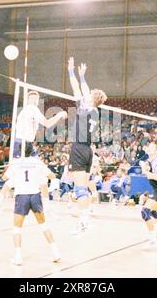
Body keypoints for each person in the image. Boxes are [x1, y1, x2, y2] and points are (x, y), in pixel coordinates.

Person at [0, 145, 61, 266]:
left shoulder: (16, 163)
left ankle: (18, 257)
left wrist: (10, 167)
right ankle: (55, 252)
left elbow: (4, 178)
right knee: (43, 225)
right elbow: (52, 176)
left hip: (22, 196)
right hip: (35, 196)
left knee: (17, 228)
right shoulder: (37, 162)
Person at [66, 57, 107, 235]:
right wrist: (81, 76)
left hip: (79, 148)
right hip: (88, 150)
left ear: (92, 99)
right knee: (84, 187)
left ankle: (84, 222)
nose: (87, 95)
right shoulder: (95, 111)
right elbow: (83, 90)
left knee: (80, 189)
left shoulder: (86, 107)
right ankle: (87, 214)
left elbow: (78, 89)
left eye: (90, 95)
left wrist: (71, 71)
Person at [14, 91, 67, 158]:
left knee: (35, 165)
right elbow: (48, 124)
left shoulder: (24, 110)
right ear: (28, 100)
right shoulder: (33, 108)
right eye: (33, 99)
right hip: (23, 143)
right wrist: (60, 114)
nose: (35, 101)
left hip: (23, 142)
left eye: (36, 99)